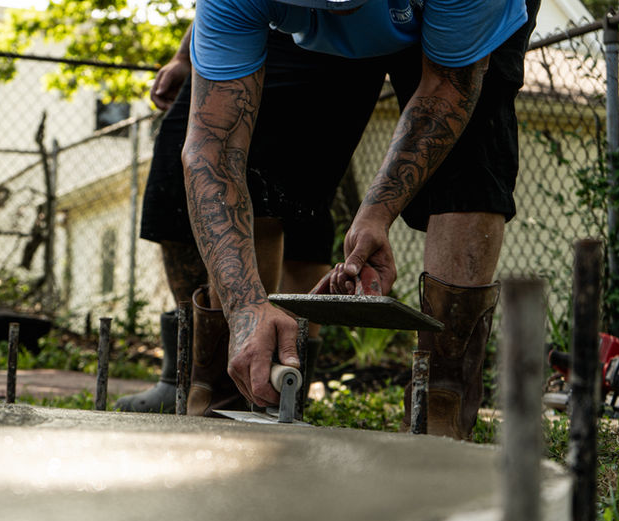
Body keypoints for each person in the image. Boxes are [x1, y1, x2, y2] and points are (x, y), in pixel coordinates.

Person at [183, 0, 540, 439]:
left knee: (469, 159)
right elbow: (212, 151)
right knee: (261, 161)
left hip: (453, 20)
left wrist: (376, 213)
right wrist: (244, 306)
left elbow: (450, 86)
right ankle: (228, 391)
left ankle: (441, 405)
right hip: (296, 33)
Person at [116, 24, 389, 415]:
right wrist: (183, 55)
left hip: (336, 42)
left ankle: (274, 383)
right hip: (249, 36)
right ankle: (195, 374)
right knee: (177, 179)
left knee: (275, 199)